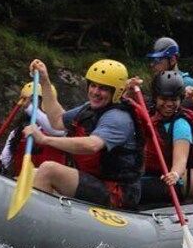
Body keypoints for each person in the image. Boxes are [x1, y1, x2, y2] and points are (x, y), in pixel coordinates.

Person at [22, 59, 144, 210]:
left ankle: (39, 224)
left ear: (116, 92)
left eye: (103, 88)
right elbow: (57, 120)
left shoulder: (118, 118)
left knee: (48, 169)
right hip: (95, 180)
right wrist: (45, 81)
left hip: (118, 192)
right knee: (31, 173)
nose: (95, 92)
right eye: (93, 85)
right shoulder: (89, 109)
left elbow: (92, 145)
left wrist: (44, 139)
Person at [138, 70, 193, 204]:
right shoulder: (148, 114)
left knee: (131, 189)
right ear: (155, 98)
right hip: (144, 175)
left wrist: (175, 174)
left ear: (181, 99)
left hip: (168, 181)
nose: (169, 104)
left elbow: (181, 161)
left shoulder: (181, 124)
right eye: (164, 99)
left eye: (174, 99)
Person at [0, 81, 66, 175]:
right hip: (22, 183)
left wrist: (29, 108)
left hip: (48, 187)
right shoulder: (16, 133)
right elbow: (4, 160)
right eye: (31, 101)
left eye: (35, 100)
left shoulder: (60, 130)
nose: (33, 104)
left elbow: (54, 129)